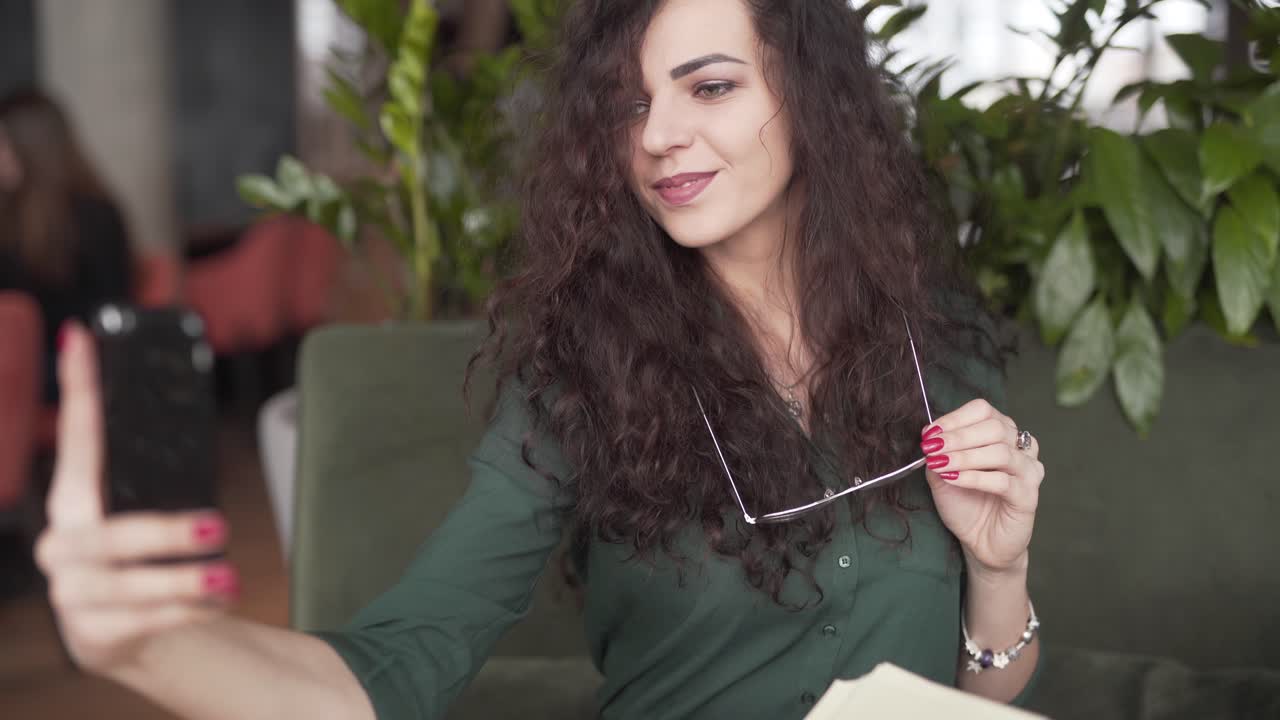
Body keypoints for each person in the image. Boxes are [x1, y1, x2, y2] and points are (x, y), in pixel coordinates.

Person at [34, 1, 1047, 718]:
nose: (658, 135)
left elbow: (981, 693)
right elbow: (394, 668)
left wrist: (999, 569)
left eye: (709, 86)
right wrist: (148, 647)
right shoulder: (582, 379)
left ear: (813, 98)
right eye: (628, 105)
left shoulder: (939, 348)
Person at [0, 88, 135, 404]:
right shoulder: (10, 214)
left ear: (31, 148)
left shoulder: (94, 216)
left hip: (68, 360)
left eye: (3, 143)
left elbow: (108, 312)